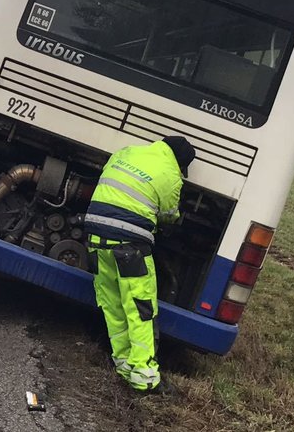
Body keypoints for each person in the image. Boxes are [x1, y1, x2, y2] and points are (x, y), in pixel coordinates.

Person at [84, 136, 195, 394]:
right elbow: (168, 215)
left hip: (95, 235)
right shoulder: (171, 174)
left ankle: (123, 364)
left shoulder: (128, 151)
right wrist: (177, 217)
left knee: (112, 304)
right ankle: (144, 376)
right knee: (140, 308)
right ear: (180, 163)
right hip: (130, 244)